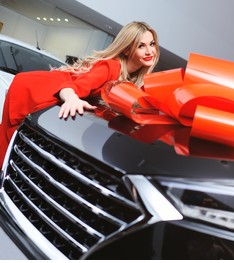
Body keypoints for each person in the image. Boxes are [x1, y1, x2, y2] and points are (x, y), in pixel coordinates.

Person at [0, 21, 160, 166]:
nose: (149, 51)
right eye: (141, 46)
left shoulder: (132, 80)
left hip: (45, 93)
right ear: (126, 49)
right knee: (7, 146)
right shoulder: (111, 67)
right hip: (34, 90)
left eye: (152, 44)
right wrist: (72, 100)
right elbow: (70, 87)